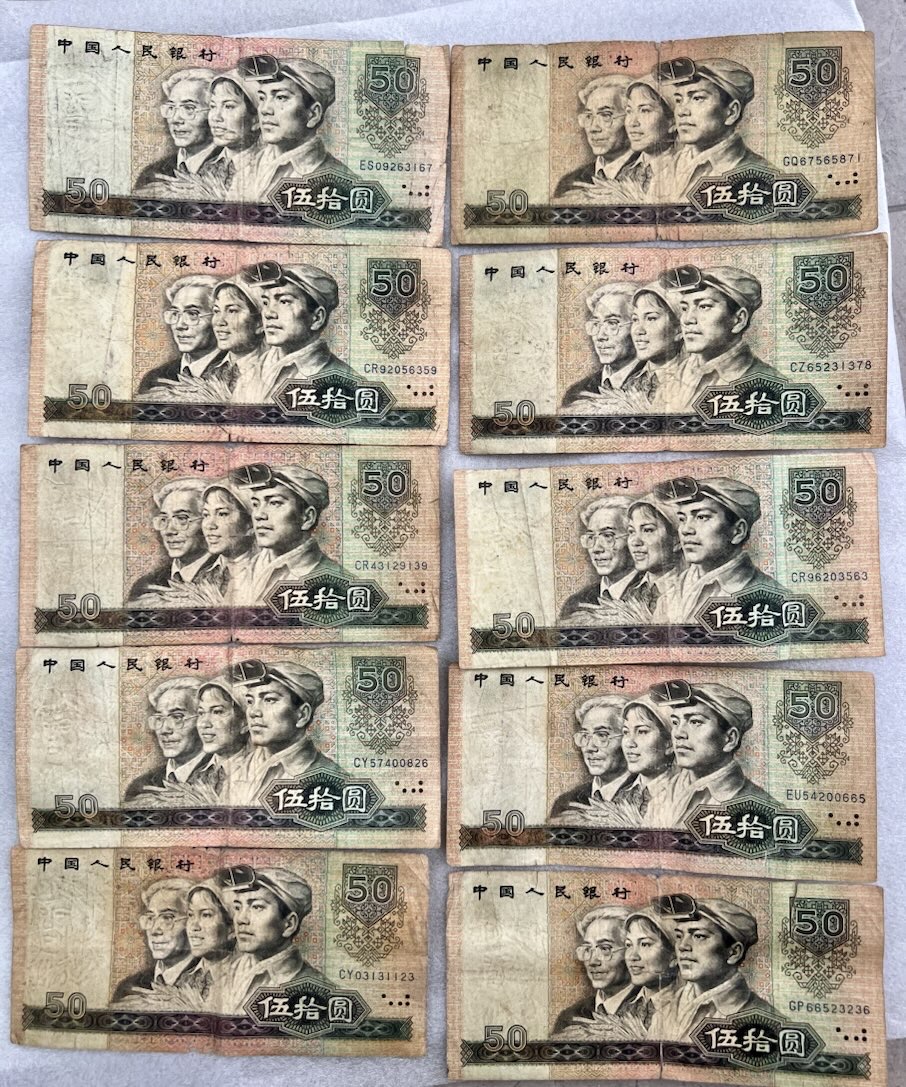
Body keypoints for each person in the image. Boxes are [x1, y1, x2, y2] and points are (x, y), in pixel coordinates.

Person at [650, 475, 784, 624]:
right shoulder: (673, 591)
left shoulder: (772, 599)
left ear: (738, 531)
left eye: (702, 517)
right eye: (682, 519)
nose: (686, 530)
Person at [647, 680, 777, 823]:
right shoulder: (664, 793)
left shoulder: (761, 808)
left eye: (695, 722)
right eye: (675, 722)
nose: (678, 733)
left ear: (730, 739)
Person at [650, 893, 777, 1040]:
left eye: (699, 936)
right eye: (679, 936)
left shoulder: (764, 1020)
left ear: (734, 953)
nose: (682, 946)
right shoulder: (665, 1008)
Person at [235, 54, 357, 200]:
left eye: (281, 97)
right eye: (262, 98)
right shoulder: (247, 166)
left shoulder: (342, 183)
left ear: (313, 114)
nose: (264, 109)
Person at [658, 264, 779, 409]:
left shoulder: (768, 383)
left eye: (704, 306)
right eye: (684, 308)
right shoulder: (678, 373)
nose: (687, 319)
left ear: (739, 320)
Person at [656, 56, 773, 201]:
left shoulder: (762, 176)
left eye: (697, 98)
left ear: (731, 112)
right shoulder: (667, 167)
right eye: (679, 100)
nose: (681, 111)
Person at [216, 864, 328, 1013]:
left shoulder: (316, 991)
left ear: (289, 924)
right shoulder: (227, 971)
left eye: (257, 907)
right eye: (237, 907)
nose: (240, 919)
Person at [229, 462, 353, 594]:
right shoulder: (244, 569)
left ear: (307, 518)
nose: (258, 515)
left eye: (274, 503)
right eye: (255, 504)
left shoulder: (337, 584)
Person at [236, 260, 351, 403]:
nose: (268, 313)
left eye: (284, 302)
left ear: (317, 318)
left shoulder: (344, 382)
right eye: (265, 302)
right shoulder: (252, 371)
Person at [231, 658, 343, 802]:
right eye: (250, 701)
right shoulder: (238, 768)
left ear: (302, 715)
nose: (253, 712)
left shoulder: (332, 780)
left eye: (269, 700)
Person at [137, 274, 229, 394]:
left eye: (193, 314)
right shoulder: (155, 378)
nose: (179, 325)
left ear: (217, 317)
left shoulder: (236, 375)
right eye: (175, 313)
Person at [128, 478, 216, 600]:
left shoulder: (229, 576)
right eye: (164, 519)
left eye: (182, 518)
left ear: (207, 521)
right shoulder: (146, 586)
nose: (169, 531)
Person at [124, 676, 209, 800]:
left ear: (203, 720)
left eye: (177, 717)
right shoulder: (141, 787)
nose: (164, 730)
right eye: (159, 718)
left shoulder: (222, 777)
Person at [112, 877, 197, 1000]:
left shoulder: (209, 982)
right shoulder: (129, 988)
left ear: (192, 922)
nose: (154, 930)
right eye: (150, 918)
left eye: (168, 917)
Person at [553, 905, 634, 1032]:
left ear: (630, 951)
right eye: (587, 949)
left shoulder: (650, 1011)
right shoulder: (570, 1018)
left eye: (605, 948)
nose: (592, 961)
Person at [136, 69, 219, 191]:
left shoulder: (232, 170)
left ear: (214, 112)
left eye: (189, 108)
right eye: (171, 107)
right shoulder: (152, 174)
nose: (175, 119)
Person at [554, 74, 636, 199]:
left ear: (630, 118)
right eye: (588, 116)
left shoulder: (649, 176)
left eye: (606, 115)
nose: (593, 128)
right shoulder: (570, 183)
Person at [563, 284, 644, 407]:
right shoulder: (577, 393)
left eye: (612, 323)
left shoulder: (655, 387)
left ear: (636, 326)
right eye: (596, 324)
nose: (600, 336)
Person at [550, 694, 629, 817]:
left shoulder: (646, 798)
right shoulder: (566, 803)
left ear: (628, 739)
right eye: (585, 736)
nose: (589, 748)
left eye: (602, 735)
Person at [561, 495, 638, 616]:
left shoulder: (653, 596)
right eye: (591, 537)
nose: (596, 549)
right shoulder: (576, 604)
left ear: (632, 538)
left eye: (608, 536)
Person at [613, 694, 675, 817]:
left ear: (669, 744)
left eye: (642, 731)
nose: (629, 743)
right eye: (626, 732)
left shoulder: (683, 795)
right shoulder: (621, 796)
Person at [205, 70, 262, 195]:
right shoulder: (207, 168)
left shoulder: (266, 169)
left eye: (229, 106)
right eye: (212, 106)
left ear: (256, 119)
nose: (216, 117)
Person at [621, 908, 680, 1028]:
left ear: (673, 956)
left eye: (645, 944)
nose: (632, 956)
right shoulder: (626, 1008)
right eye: (629, 945)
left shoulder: (686, 1008)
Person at [624, 496, 683, 614]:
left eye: (648, 530)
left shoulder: (687, 591)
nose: (635, 542)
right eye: (631, 531)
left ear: (676, 540)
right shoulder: (630, 593)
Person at [193, 673, 250, 796]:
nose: (204, 724)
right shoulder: (196, 776)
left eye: (217, 712)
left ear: (244, 722)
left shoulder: (258, 772)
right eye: (201, 713)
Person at [627, 284, 685, 404]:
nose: (638, 330)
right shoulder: (629, 384)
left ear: (678, 330)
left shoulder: (691, 381)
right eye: (635, 319)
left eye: (651, 318)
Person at [209, 277, 265, 399]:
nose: (219, 322)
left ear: (260, 323)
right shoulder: (209, 372)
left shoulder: (270, 374)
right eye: (216, 311)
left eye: (232, 311)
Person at [198, 481, 257, 596]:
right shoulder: (202, 577)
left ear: (249, 524)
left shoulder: (265, 572)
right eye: (206, 515)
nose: (210, 525)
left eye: (222, 514)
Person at [180, 881, 236, 1000]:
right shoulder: (184, 980)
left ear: (232, 928)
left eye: (206, 915)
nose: (194, 926)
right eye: (190, 915)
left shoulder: (243, 979)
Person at [621, 79, 676, 198]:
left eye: (645, 111)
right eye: (629, 111)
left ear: (672, 122)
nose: (632, 123)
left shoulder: (683, 171)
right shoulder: (624, 173)